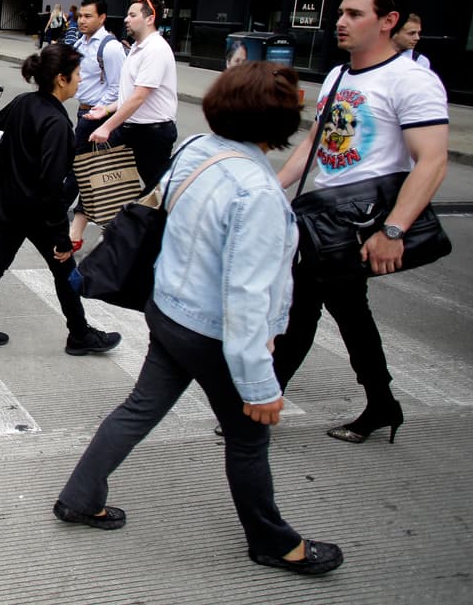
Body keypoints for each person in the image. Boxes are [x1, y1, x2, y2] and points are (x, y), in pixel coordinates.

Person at [55, 61, 344, 576]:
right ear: (279, 124)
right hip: (212, 332)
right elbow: (247, 298)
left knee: (139, 408)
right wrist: (260, 385)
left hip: (168, 310)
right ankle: (273, 541)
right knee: (249, 439)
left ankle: (80, 496)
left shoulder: (193, 149)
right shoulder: (258, 195)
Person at [271, 0, 448, 443]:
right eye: (341, 12)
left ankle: (263, 403)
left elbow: (432, 160)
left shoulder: (412, 80)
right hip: (322, 217)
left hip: (361, 224)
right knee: (341, 310)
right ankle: (381, 405)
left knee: (306, 309)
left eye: (355, 14)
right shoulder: (338, 75)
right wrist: (272, 188)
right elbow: (314, 142)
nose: (340, 22)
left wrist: (394, 230)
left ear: (389, 22)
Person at [0, 44, 121, 352]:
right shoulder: (57, 124)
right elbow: (52, 186)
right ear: (61, 79)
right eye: (77, 75)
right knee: (63, 269)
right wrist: (61, 236)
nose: (80, 80)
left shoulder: (23, 102)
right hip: (37, 211)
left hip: (11, 203)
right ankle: (79, 334)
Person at [84, 0, 179, 191]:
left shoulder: (156, 49)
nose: (126, 19)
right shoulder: (136, 47)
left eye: (132, 14)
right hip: (130, 129)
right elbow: (130, 95)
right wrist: (107, 109)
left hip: (152, 133)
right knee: (101, 181)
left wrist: (107, 127)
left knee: (156, 193)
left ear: (150, 19)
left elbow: (139, 97)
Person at [67, 0, 126, 248]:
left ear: (102, 18)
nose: (82, 20)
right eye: (80, 15)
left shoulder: (110, 48)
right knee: (89, 172)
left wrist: (100, 113)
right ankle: (79, 230)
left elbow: (118, 87)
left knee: (77, 170)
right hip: (84, 112)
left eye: (88, 16)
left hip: (98, 116)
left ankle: (62, 224)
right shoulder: (81, 43)